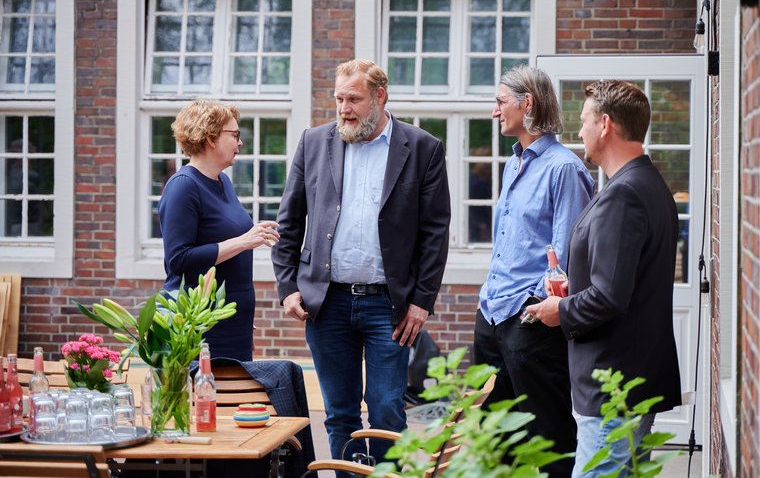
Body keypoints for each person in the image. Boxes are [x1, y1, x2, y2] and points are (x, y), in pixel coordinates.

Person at [271, 59, 451, 471]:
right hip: (327, 303)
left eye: (353, 99)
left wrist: (422, 301)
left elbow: (435, 231)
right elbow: (289, 220)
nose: (344, 108)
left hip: (390, 306)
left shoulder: (422, 147)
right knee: (339, 413)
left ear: (380, 97)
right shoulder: (314, 142)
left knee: (387, 408)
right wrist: (288, 288)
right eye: (339, 98)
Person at [524, 80, 682, 477]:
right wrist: (570, 287)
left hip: (615, 387)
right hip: (629, 381)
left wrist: (560, 307)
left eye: (584, 121)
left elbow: (610, 296)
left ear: (606, 124)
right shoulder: (647, 183)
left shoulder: (625, 194)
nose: (578, 131)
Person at [473, 64, 595, 477]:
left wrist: (536, 306)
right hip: (492, 314)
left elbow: (566, 257)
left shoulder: (565, 169)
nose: (495, 112)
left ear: (528, 104)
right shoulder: (514, 164)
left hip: (530, 321)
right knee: (494, 432)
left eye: (500, 102)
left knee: (548, 434)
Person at [158, 99, 279, 361]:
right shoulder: (183, 186)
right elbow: (178, 260)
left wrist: (242, 321)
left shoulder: (223, 181)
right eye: (234, 135)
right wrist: (244, 241)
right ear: (211, 138)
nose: (240, 142)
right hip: (201, 326)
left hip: (232, 323)